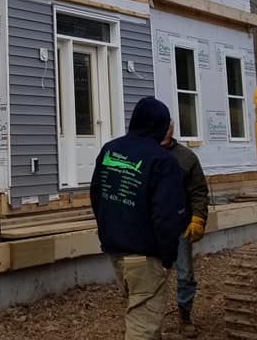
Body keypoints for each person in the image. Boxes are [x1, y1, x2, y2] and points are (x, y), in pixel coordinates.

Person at [91, 96, 187, 340]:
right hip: (146, 257)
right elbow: (167, 216)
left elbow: (97, 196)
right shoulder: (163, 161)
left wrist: (107, 234)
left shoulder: (110, 150)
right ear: (160, 126)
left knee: (138, 311)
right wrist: (168, 257)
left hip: (115, 250)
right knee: (143, 325)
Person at [162, 122, 209, 338]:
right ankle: (148, 318)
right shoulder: (145, 154)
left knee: (185, 274)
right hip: (151, 229)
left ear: (172, 129)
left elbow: (198, 191)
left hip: (180, 225)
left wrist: (198, 218)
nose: (165, 130)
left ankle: (185, 314)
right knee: (149, 274)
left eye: (168, 126)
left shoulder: (186, 157)